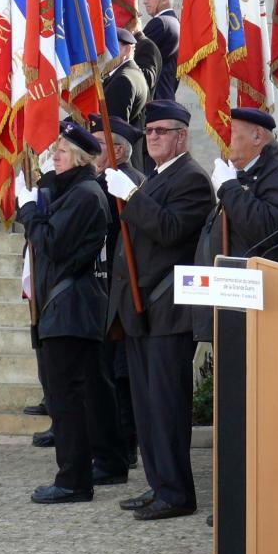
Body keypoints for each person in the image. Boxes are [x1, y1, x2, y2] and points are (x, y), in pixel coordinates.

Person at [104, 100, 214, 520]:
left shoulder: (192, 179)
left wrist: (132, 196)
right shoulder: (158, 176)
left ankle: (177, 493)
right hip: (140, 310)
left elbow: (170, 231)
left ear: (182, 136)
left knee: (166, 406)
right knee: (147, 407)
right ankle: (159, 484)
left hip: (167, 310)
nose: (152, 137)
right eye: (149, 131)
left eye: (161, 131)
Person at [16, 121, 114, 504]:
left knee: (65, 398)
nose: (53, 157)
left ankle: (73, 480)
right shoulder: (74, 191)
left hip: (71, 307)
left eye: (60, 152)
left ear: (79, 158)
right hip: (65, 306)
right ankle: (77, 475)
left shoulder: (85, 195)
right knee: (71, 394)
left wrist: (29, 212)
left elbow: (53, 244)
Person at [193, 106, 278, 343]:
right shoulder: (244, 175)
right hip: (230, 303)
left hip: (263, 308)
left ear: (257, 136)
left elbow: (267, 230)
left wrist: (230, 188)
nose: (221, 138)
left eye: (229, 132)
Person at [90, 114, 147, 469]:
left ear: (120, 150)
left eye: (98, 145)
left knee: (121, 374)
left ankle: (125, 446)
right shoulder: (108, 179)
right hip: (109, 286)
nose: (92, 151)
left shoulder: (125, 182)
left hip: (120, 287)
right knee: (112, 370)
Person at [103, 28, 150, 168]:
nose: (104, 52)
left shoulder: (123, 79)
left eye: (110, 46)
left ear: (127, 49)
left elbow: (114, 130)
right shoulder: (130, 73)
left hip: (117, 162)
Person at [142, 0, 180, 101]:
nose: (145, 1)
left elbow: (137, 55)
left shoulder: (160, 23)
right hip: (165, 95)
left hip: (155, 98)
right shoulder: (173, 22)